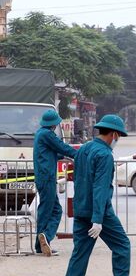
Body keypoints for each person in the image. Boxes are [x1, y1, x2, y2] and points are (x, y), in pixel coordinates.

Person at [63, 115, 136, 276]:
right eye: (119, 137)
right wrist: (98, 219)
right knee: (122, 245)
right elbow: (100, 188)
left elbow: (81, 180)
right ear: (114, 134)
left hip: (81, 209)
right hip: (99, 212)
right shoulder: (105, 155)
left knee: (79, 254)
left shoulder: (83, 149)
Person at [33, 110, 78, 256]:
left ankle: (42, 242)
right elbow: (62, 147)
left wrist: (66, 156)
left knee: (51, 210)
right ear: (54, 124)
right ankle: (44, 238)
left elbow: (54, 152)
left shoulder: (40, 134)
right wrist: (80, 154)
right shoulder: (47, 135)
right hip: (46, 178)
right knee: (49, 211)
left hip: (44, 177)